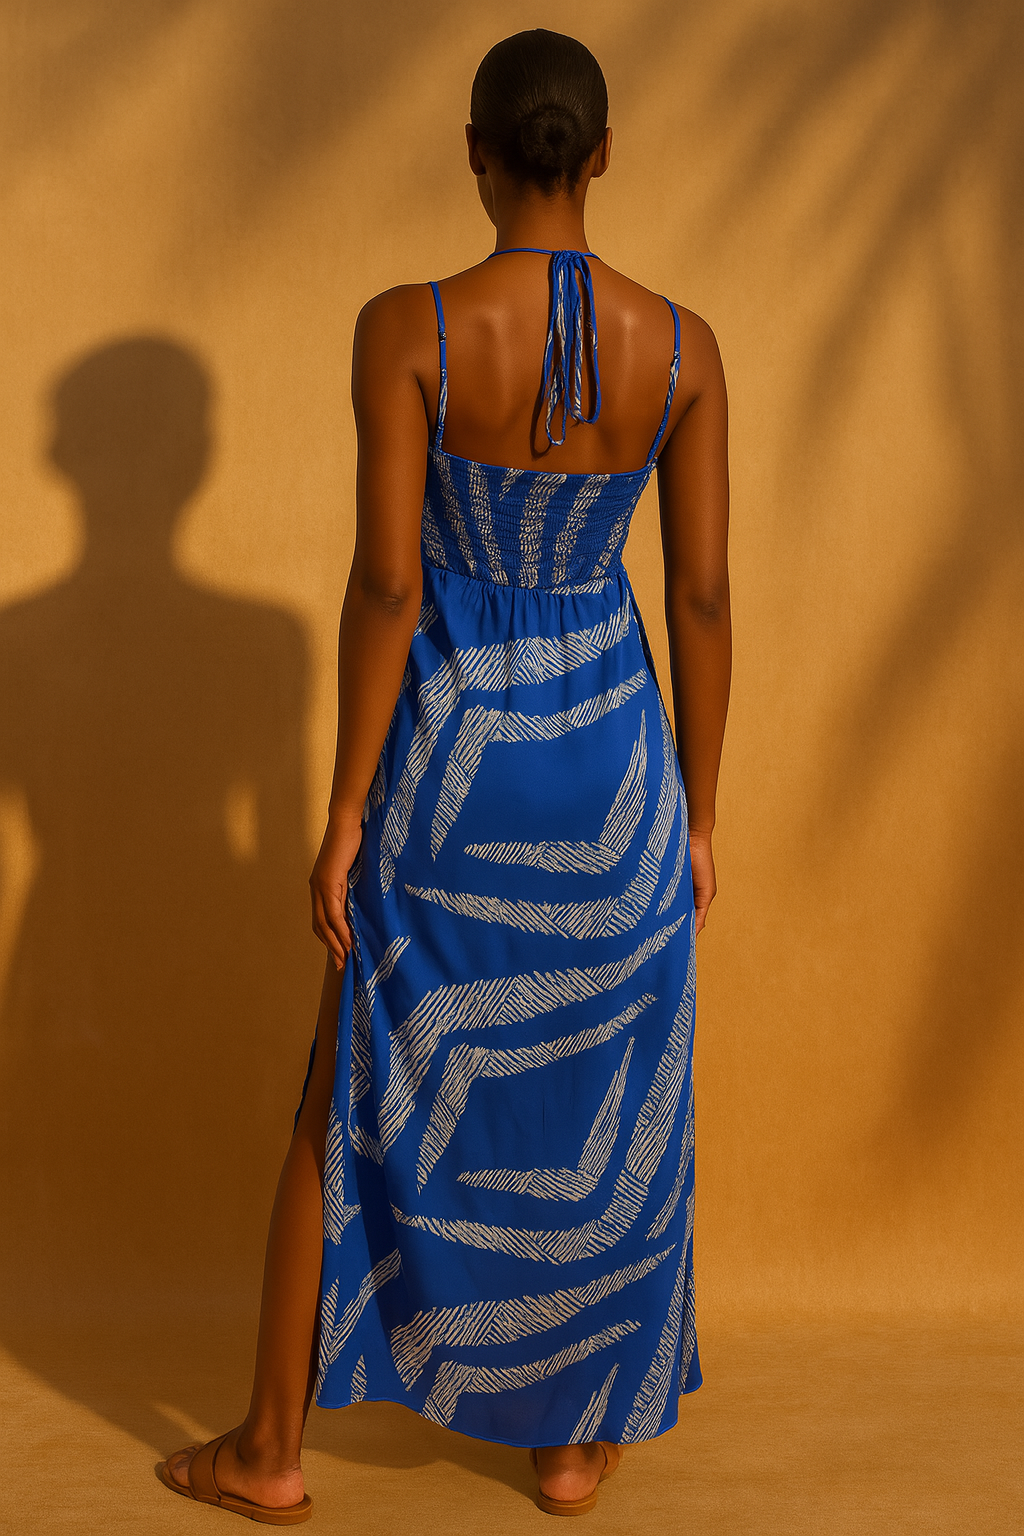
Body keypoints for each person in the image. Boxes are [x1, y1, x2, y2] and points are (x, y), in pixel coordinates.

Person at [159, 27, 730, 1524]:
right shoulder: (683, 351)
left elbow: (388, 586)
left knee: (345, 1088)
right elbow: (703, 599)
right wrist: (698, 812)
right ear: (601, 156)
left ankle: (269, 1450)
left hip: (448, 768)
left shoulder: (405, 330)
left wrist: (346, 809)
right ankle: (569, 1446)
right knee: (600, 1086)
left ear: (474, 150)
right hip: (613, 771)